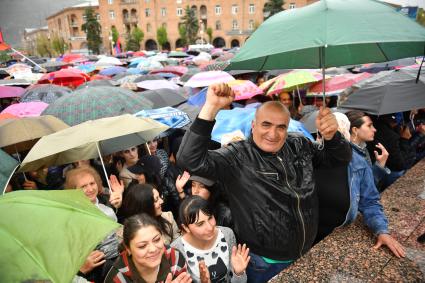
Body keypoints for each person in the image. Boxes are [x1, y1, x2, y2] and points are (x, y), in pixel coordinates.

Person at [176, 83, 351, 282]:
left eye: (281, 127)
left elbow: (338, 159)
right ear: (253, 125)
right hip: (264, 262)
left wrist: (332, 137)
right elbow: (189, 159)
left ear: (288, 128)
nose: (273, 134)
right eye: (266, 125)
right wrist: (210, 108)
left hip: (305, 250)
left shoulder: (299, 144)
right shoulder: (238, 156)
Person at [315, 113, 405, 259]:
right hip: (305, 238)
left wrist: (381, 230)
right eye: (322, 132)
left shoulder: (358, 162)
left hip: (336, 237)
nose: (327, 138)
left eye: (334, 133)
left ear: (345, 134)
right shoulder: (308, 157)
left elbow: (369, 201)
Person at [171, 196, 249, 283]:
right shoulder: (176, 250)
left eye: (210, 218)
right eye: (200, 224)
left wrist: (238, 273)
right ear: (186, 228)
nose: (210, 227)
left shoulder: (227, 234)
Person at [65, 166, 123, 282]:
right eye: (83, 186)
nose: (90, 189)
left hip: (121, 257)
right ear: (74, 190)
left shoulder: (105, 205)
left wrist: (119, 205)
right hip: (101, 268)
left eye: (92, 183)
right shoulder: (73, 215)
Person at [104, 213, 191, 283]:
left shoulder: (175, 257)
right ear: (128, 249)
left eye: (156, 240)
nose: (153, 249)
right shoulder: (117, 278)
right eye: (142, 246)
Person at [345, 111, 392, 190]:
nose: (374, 129)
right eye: (369, 126)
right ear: (355, 130)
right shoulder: (350, 156)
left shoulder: (362, 147)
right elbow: (365, 188)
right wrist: (379, 166)